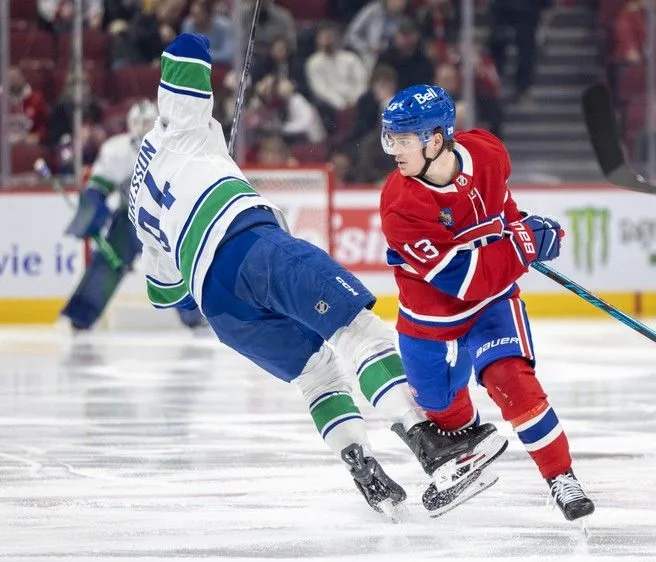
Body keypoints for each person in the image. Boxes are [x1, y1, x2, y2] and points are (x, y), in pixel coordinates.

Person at [128, 33, 508, 519]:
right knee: (358, 332)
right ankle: (434, 449)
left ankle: (364, 469)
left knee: (316, 375)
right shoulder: (176, 129)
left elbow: (168, 296)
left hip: (220, 305)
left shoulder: (140, 208)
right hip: (253, 248)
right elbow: (186, 50)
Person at [378, 84, 595, 521]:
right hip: (431, 321)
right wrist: (527, 243)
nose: (393, 150)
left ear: (435, 139)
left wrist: (522, 227)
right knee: (440, 410)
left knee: (511, 381)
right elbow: (467, 279)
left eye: (402, 139)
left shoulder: (489, 151)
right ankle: (470, 446)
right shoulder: (400, 206)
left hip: (492, 305)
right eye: (390, 138)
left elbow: (501, 207)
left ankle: (561, 478)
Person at [62, 99, 206, 331]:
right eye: (138, 121)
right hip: (129, 221)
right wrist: (91, 211)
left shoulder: (173, 147)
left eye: (148, 121)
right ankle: (81, 315)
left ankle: (194, 316)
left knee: (175, 267)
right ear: (129, 122)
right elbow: (98, 186)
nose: (142, 126)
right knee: (107, 265)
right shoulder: (116, 149)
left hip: (163, 221)